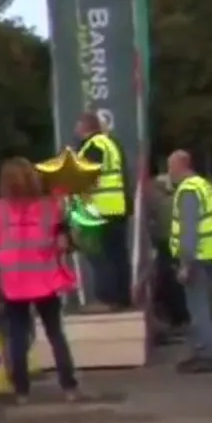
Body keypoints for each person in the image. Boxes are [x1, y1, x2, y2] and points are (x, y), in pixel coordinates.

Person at [0, 158, 83, 404]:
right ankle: (69, 386)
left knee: (18, 336)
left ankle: (22, 391)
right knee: (55, 333)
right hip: (45, 278)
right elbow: (63, 238)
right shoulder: (49, 207)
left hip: (13, 281)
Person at [166, 150, 212, 374]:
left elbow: (188, 230)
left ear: (180, 166)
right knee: (202, 306)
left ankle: (203, 355)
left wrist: (185, 263)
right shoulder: (203, 185)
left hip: (197, 257)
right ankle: (202, 352)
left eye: (170, 167)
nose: (169, 173)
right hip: (209, 253)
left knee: (198, 309)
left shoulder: (188, 190)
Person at [72, 112, 132, 309]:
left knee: (99, 254)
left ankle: (106, 298)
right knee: (118, 254)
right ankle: (123, 298)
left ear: (85, 126)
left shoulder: (92, 146)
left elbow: (88, 178)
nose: (75, 129)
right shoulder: (111, 144)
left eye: (78, 125)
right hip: (117, 206)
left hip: (98, 208)